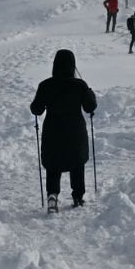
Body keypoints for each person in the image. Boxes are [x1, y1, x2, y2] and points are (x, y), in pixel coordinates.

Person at [30, 49, 97, 210]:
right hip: (75, 131)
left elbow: (36, 109)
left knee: (54, 164)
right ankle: (78, 197)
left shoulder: (45, 85)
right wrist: (90, 94)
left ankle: (52, 196)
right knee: (77, 163)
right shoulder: (79, 85)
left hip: (53, 131)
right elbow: (90, 107)